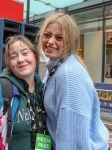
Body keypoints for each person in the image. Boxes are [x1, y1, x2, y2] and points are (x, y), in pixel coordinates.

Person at [38, 12, 110, 150]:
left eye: (59, 38)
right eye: (47, 35)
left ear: (70, 42)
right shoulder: (55, 67)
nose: (50, 41)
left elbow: (72, 142)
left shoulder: (68, 75)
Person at [0, 35, 49, 150]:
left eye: (25, 53)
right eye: (13, 56)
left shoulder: (43, 90)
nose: (20, 59)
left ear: (35, 56)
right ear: (9, 64)